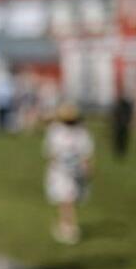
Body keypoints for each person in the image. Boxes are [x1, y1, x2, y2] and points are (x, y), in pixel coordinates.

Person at [43, 102, 94, 244]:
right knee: (66, 198)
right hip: (63, 170)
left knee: (67, 199)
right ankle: (67, 225)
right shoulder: (62, 131)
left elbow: (86, 153)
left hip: (68, 170)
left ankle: (69, 227)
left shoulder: (74, 132)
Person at [111, 86, 133, 159]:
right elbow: (115, 114)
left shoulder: (125, 104)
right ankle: (119, 151)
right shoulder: (119, 104)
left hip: (123, 124)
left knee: (123, 139)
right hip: (119, 124)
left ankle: (122, 151)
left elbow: (128, 114)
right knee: (119, 139)